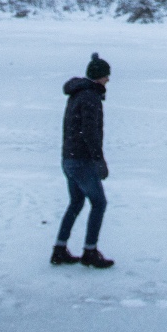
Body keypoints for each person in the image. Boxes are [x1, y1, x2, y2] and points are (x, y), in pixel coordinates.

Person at [52, 52, 114, 268]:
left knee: (76, 202)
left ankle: (59, 249)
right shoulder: (90, 97)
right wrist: (99, 161)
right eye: (106, 75)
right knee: (99, 203)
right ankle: (90, 252)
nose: (108, 79)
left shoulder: (78, 93)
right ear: (99, 77)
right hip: (81, 161)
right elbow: (89, 133)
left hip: (69, 159)